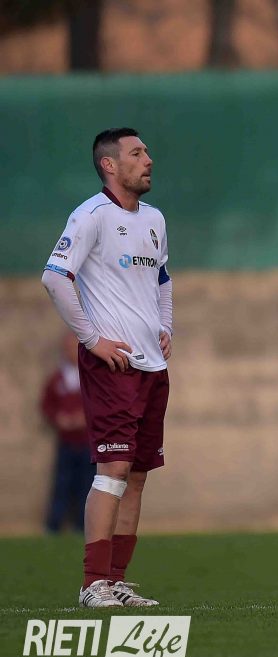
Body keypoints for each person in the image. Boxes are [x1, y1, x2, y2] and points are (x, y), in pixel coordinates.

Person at [41, 128, 172, 608]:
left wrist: (166, 326)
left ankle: (115, 580)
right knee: (113, 469)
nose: (148, 159)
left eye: (147, 151)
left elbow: (162, 278)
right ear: (109, 165)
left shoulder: (154, 218)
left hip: (153, 367)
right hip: (113, 366)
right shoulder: (91, 215)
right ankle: (92, 584)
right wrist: (93, 340)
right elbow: (55, 277)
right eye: (137, 153)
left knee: (136, 474)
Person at [41, 332, 94, 533]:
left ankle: (82, 526)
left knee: (87, 485)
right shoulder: (57, 379)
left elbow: (101, 404)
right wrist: (59, 418)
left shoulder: (91, 376)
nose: (71, 351)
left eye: (75, 347)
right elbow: (47, 405)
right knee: (61, 484)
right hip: (66, 442)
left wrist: (85, 418)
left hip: (88, 443)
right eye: (68, 347)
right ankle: (53, 526)